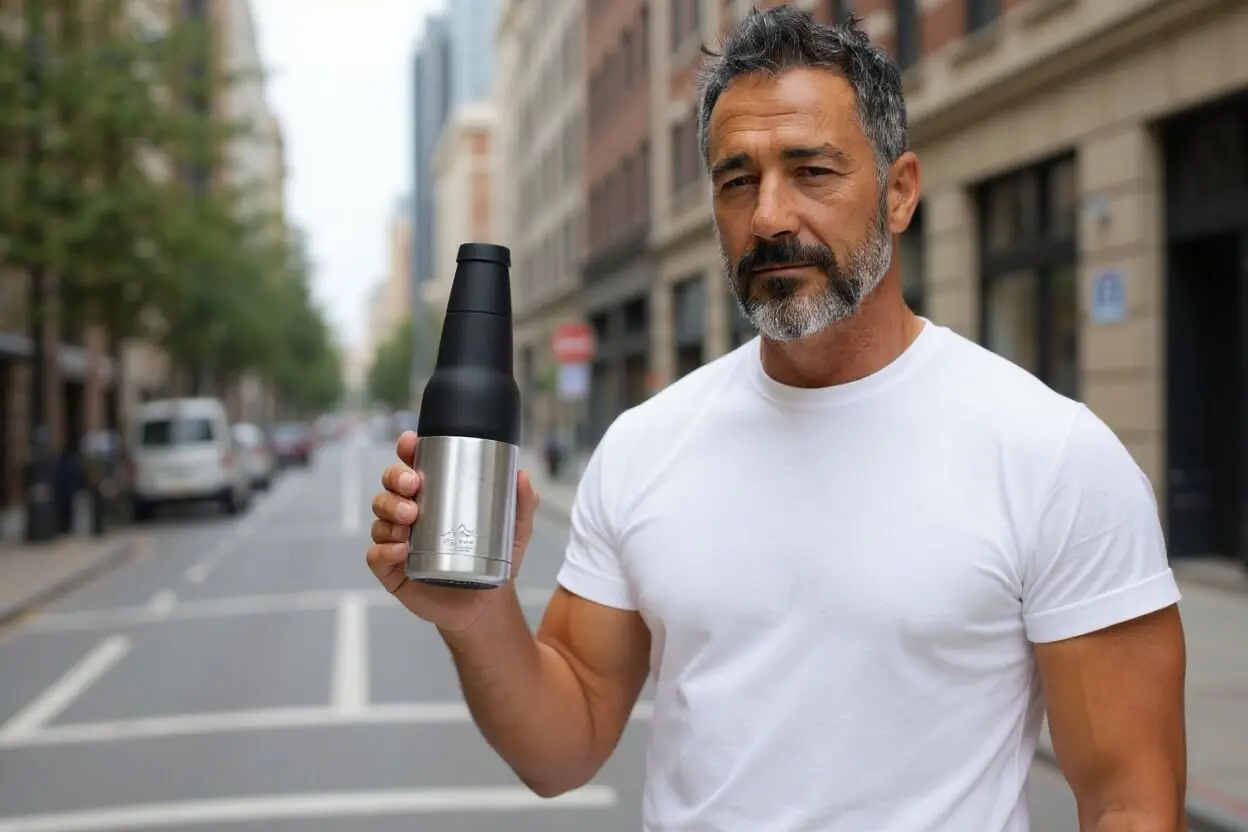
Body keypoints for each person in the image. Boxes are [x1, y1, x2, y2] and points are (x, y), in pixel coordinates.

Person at [367, 7, 1186, 830]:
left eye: (812, 171)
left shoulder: (1054, 455)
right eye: (737, 181)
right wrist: (479, 618)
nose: (769, 216)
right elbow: (563, 747)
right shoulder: (646, 447)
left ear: (899, 193)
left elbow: (1129, 801)